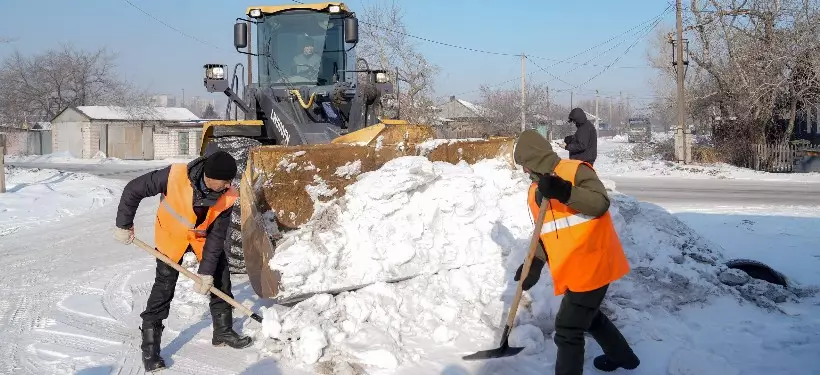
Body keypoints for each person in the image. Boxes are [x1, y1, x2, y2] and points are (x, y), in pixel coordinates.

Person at [512, 129, 639, 375]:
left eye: (525, 164)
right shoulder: (536, 190)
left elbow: (600, 203)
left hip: (595, 262)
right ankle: (623, 357)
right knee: (588, 316)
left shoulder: (575, 171)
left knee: (568, 328)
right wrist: (534, 264)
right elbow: (546, 230)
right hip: (573, 268)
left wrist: (565, 191)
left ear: (535, 159)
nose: (524, 170)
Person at [113, 150, 252, 372]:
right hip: (171, 236)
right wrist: (123, 224)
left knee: (220, 277)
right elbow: (133, 190)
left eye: (230, 181)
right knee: (163, 289)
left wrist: (206, 272)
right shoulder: (173, 175)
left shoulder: (228, 195)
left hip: (201, 239)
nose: (228, 186)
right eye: (224, 181)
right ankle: (150, 350)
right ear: (209, 176)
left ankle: (223, 332)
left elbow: (217, 237)